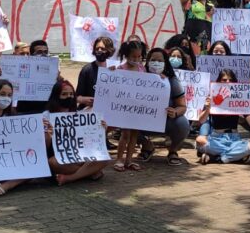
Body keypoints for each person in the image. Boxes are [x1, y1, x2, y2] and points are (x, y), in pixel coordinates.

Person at [45, 80, 108, 185]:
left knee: (104, 158)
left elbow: (93, 141)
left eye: (71, 94)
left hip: (80, 155)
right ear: (56, 96)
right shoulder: (46, 116)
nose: (69, 97)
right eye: (64, 94)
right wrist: (49, 135)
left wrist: (102, 130)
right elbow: (43, 147)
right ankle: (90, 172)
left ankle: (70, 178)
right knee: (53, 163)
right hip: (60, 158)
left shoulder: (79, 115)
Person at [138, 48, 190, 166]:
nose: (156, 63)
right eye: (153, 60)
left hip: (166, 121)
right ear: (147, 62)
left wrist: (175, 112)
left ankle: (173, 151)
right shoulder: (139, 78)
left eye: (160, 60)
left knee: (183, 123)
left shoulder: (172, 80)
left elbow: (182, 106)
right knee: (121, 120)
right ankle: (147, 146)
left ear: (165, 63)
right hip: (143, 122)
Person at [195, 69, 250, 164]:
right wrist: (208, 108)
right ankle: (236, 157)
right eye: (224, 80)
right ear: (218, 81)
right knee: (200, 140)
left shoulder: (240, 97)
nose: (227, 82)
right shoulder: (213, 97)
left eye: (230, 80)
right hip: (216, 138)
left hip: (234, 139)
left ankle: (217, 158)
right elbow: (200, 120)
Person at [112, 40, 146, 172]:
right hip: (125, 107)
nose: (137, 59)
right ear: (126, 55)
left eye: (139, 56)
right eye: (134, 57)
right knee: (125, 133)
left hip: (137, 107)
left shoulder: (142, 69)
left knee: (134, 135)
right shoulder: (120, 69)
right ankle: (119, 159)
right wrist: (111, 73)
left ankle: (129, 160)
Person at [75, 37, 115, 110]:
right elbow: (77, 97)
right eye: (97, 48)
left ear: (109, 51)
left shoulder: (115, 70)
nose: (99, 51)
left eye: (103, 49)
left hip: (108, 112)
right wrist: (85, 100)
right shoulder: (87, 70)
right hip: (89, 112)